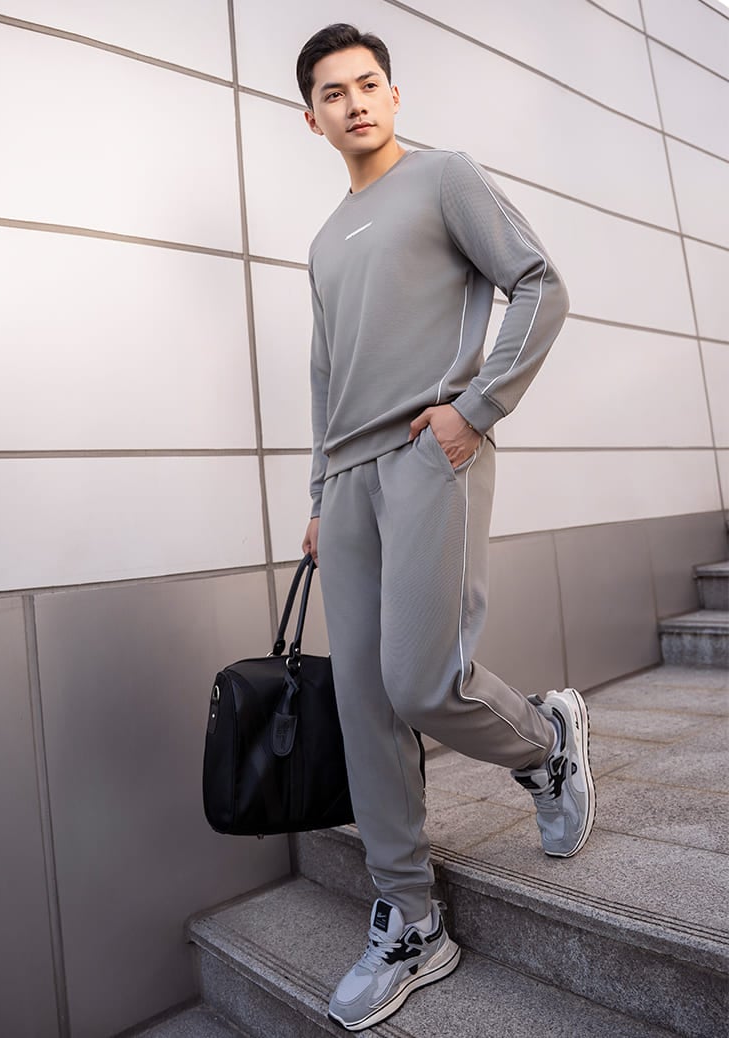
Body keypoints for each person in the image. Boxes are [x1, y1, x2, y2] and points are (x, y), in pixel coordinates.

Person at [296, 23, 595, 1033]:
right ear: (312, 119)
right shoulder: (323, 242)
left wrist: (475, 409)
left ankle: (545, 744)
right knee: (363, 701)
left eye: (367, 84)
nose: (354, 102)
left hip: (432, 450)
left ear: (393, 94)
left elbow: (539, 284)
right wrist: (318, 495)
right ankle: (410, 919)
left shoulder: (444, 177)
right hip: (347, 481)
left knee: (423, 680)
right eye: (332, 93)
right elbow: (324, 375)